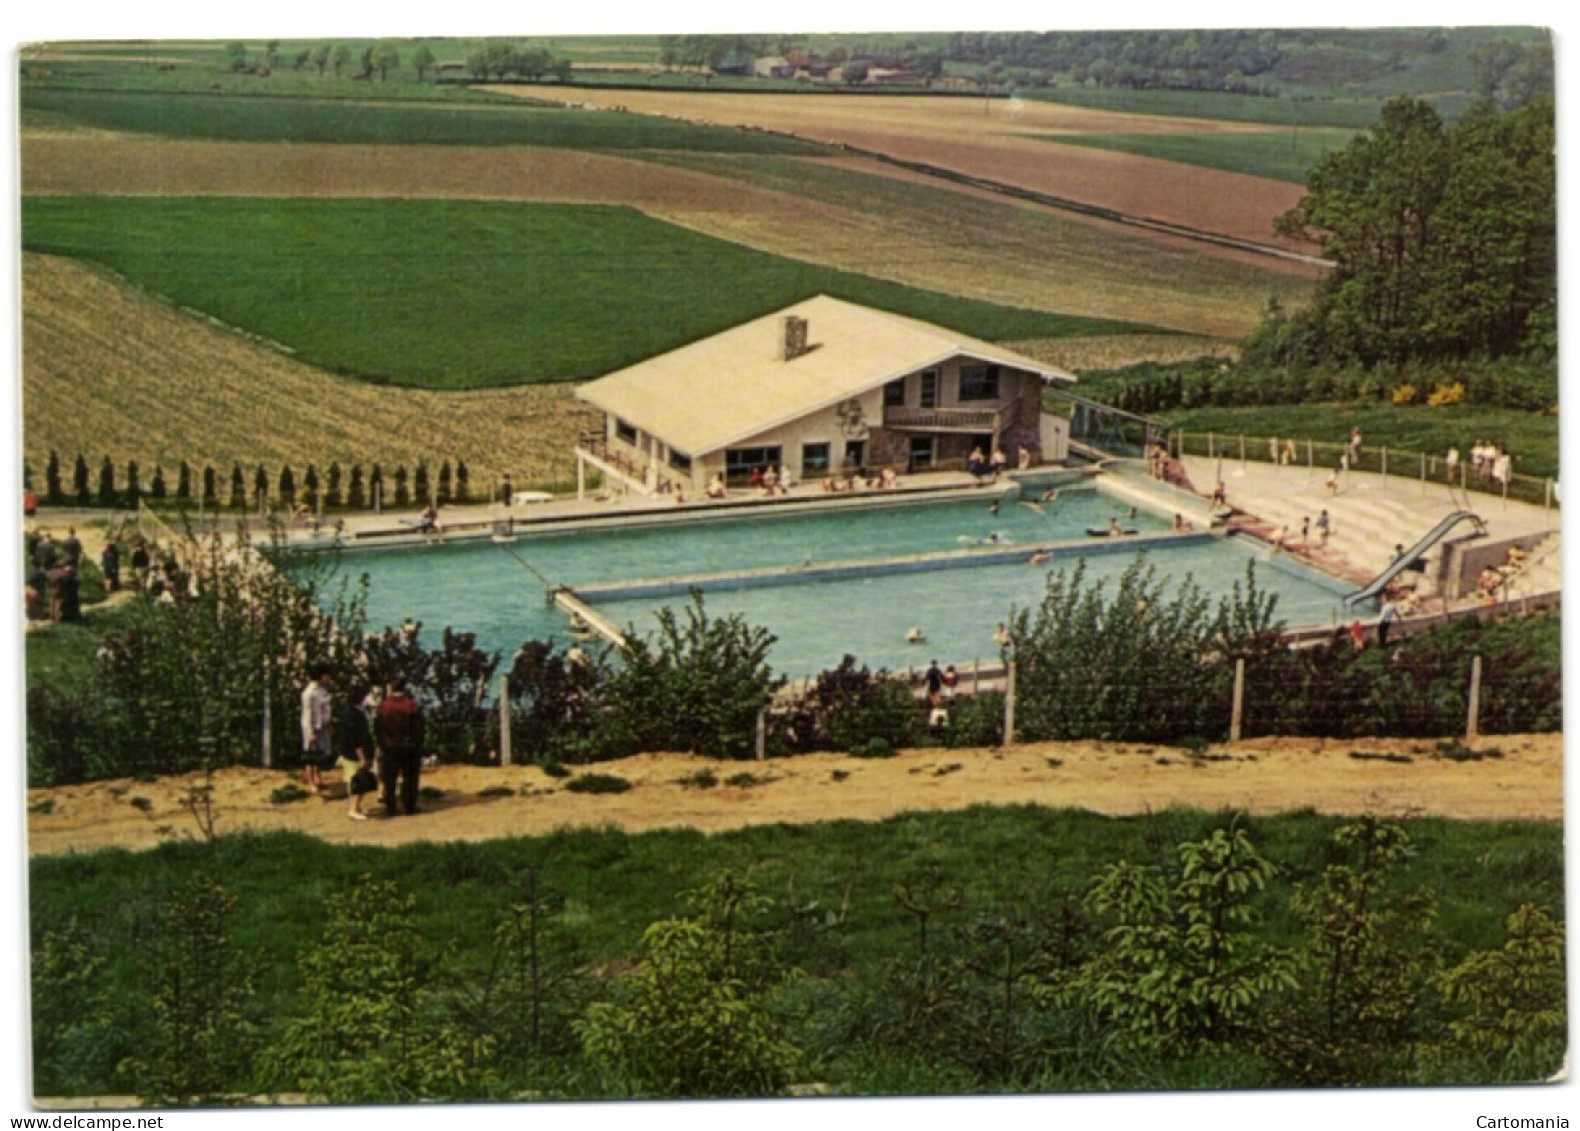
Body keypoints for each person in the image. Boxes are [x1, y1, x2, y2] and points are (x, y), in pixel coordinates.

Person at [376, 676, 426, 817]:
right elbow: (419, 729)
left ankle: (391, 806)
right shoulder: (412, 705)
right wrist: (418, 745)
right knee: (410, 777)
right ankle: (409, 806)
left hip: (389, 746)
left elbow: (378, 728)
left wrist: (381, 744)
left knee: (389, 778)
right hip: (409, 746)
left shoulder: (384, 706)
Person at [338, 683, 379, 820]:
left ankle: (357, 806)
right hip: (355, 754)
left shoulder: (347, 711)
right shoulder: (354, 715)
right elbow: (356, 738)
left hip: (348, 751)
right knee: (357, 780)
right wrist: (362, 756)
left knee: (354, 779)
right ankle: (353, 808)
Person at [300, 666, 334, 796]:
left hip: (322, 726)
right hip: (312, 727)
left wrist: (329, 723)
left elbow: (325, 709)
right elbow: (308, 713)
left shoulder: (322, 691)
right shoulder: (309, 693)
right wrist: (310, 731)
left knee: (320, 753)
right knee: (311, 755)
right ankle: (310, 782)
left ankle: (318, 777)